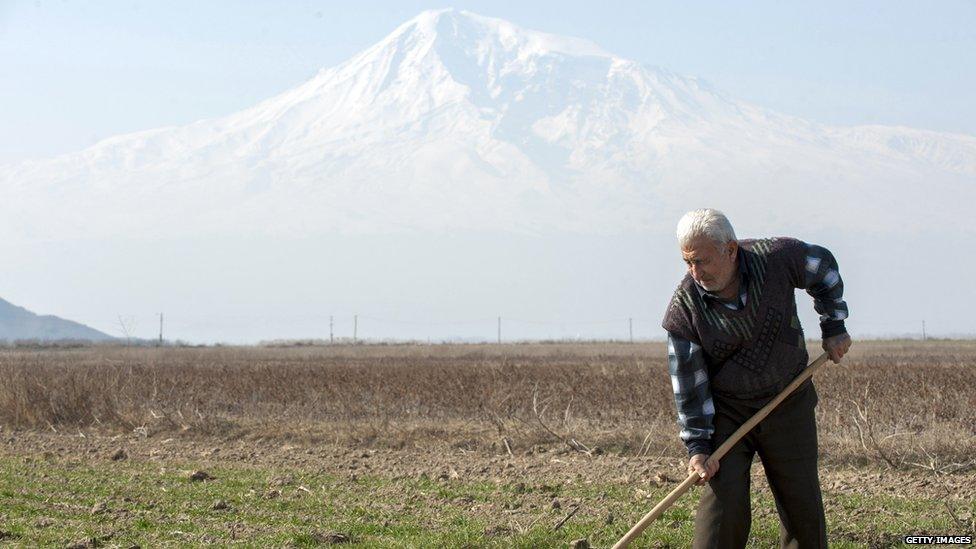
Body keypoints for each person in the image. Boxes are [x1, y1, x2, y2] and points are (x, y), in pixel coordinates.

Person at [661, 208, 852, 549]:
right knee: (722, 508)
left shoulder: (777, 258)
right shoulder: (685, 307)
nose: (695, 271)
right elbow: (688, 385)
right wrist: (698, 447)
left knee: (802, 508)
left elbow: (823, 268)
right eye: (687, 262)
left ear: (730, 250)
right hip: (729, 412)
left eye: (702, 261)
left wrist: (834, 325)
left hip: (788, 398)